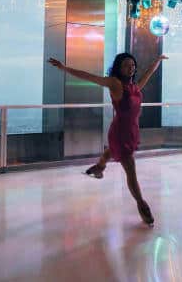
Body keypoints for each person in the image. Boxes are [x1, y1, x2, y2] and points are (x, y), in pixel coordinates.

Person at [48, 53, 168, 226]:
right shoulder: (115, 83)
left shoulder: (134, 86)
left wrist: (156, 61)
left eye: (133, 65)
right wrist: (64, 68)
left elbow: (148, 74)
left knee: (112, 150)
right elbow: (90, 77)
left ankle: (100, 166)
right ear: (119, 67)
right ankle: (141, 204)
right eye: (127, 65)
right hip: (120, 132)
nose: (131, 68)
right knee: (130, 169)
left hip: (130, 130)